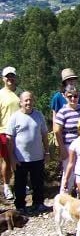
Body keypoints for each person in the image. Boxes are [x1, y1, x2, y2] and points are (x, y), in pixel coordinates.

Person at [5, 91, 50, 213]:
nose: (28, 102)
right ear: (21, 102)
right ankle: (20, 206)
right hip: (20, 158)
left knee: (38, 183)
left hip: (38, 157)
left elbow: (44, 135)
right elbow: (9, 139)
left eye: (30, 100)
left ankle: (39, 204)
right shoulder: (14, 117)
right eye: (26, 100)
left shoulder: (39, 115)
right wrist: (12, 158)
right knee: (20, 184)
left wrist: (47, 152)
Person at [55, 85, 80, 194]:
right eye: (70, 96)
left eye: (75, 96)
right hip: (68, 146)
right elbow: (57, 131)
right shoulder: (62, 112)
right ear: (65, 96)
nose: (73, 99)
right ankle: (64, 197)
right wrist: (62, 148)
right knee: (68, 173)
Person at [0, 66, 21, 200]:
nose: (10, 79)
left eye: (12, 76)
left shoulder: (20, 92)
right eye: (7, 76)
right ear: (3, 79)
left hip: (20, 132)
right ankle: (7, 185)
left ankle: (20, 183)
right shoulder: (1, 94)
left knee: (20, 160)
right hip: (4, 131)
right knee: (7, 161)